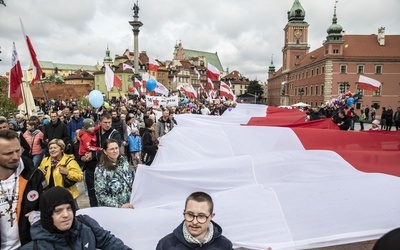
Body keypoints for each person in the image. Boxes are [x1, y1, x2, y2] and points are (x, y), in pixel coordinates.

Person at [21, 186, 131, 250]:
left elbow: (108, 241)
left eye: (69, 209)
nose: (66, 214)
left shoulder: (86, 225)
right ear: (47, 216)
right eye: (58, 211)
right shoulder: (37, 247)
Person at [0, 130, 47, 248]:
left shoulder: (34, 175)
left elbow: (49, 207)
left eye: (18, 150)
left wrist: (41, 215)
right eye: (8, 153)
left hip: (29, 245)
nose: (15, 157)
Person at [156, 191, 233, 249]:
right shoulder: (166, 245)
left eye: (201, 216)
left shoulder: (224, 245)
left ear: (211, 216)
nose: (194, 222)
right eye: (190, 214)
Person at [82, 112, 122, 207]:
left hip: (107, 169)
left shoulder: (114, 134)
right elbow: (82, 141)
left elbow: (112, 151)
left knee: (107, 195)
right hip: (91, 168)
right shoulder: (94, 131)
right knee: (92, 196)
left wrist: (93, 154)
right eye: (105, 122)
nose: (107, 125)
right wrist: (83, 155)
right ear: (100, 122)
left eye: (109, 122)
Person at [38, 139, 83, 204]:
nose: (52, 150)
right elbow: (39, 171)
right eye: (50, 148)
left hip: (67, 197)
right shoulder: (45, 161)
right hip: (50, 196)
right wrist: (40, 172)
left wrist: (68, 173)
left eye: (55, 148)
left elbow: (80, 176)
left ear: (62, 149)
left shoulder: (69, 161)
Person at [94, 139, 134, 208]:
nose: (115, 151)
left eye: (116, 148)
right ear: (105, 151)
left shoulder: (124, 162)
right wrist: (120, 206)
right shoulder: (100, 170)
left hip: (130, 205)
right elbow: (101, 195)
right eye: (111, 149)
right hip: (114, 210)